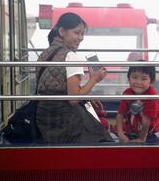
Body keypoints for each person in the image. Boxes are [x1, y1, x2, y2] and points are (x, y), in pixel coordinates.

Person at [36, 12, 113, 143]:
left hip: (44, 116)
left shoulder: (45, 53)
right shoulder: (71, 57)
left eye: (82, 34)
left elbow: (59, 88)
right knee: (103, 138)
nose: (81, 37)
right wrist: (94, 79)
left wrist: (85, 96)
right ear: (62, 31)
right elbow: (73, 99)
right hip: (64, 120)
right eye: (77, 33)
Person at [115, 63, 159, 142]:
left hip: (149, 132)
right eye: (134, 77)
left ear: (151, 82)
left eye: (144, 78)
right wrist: (120, 133)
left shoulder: (151, 95)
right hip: (132, 129)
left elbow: (146, 121)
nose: (138, 82)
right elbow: (120, 114)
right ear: (129, 78)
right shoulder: (127, 93)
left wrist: (141, 139)